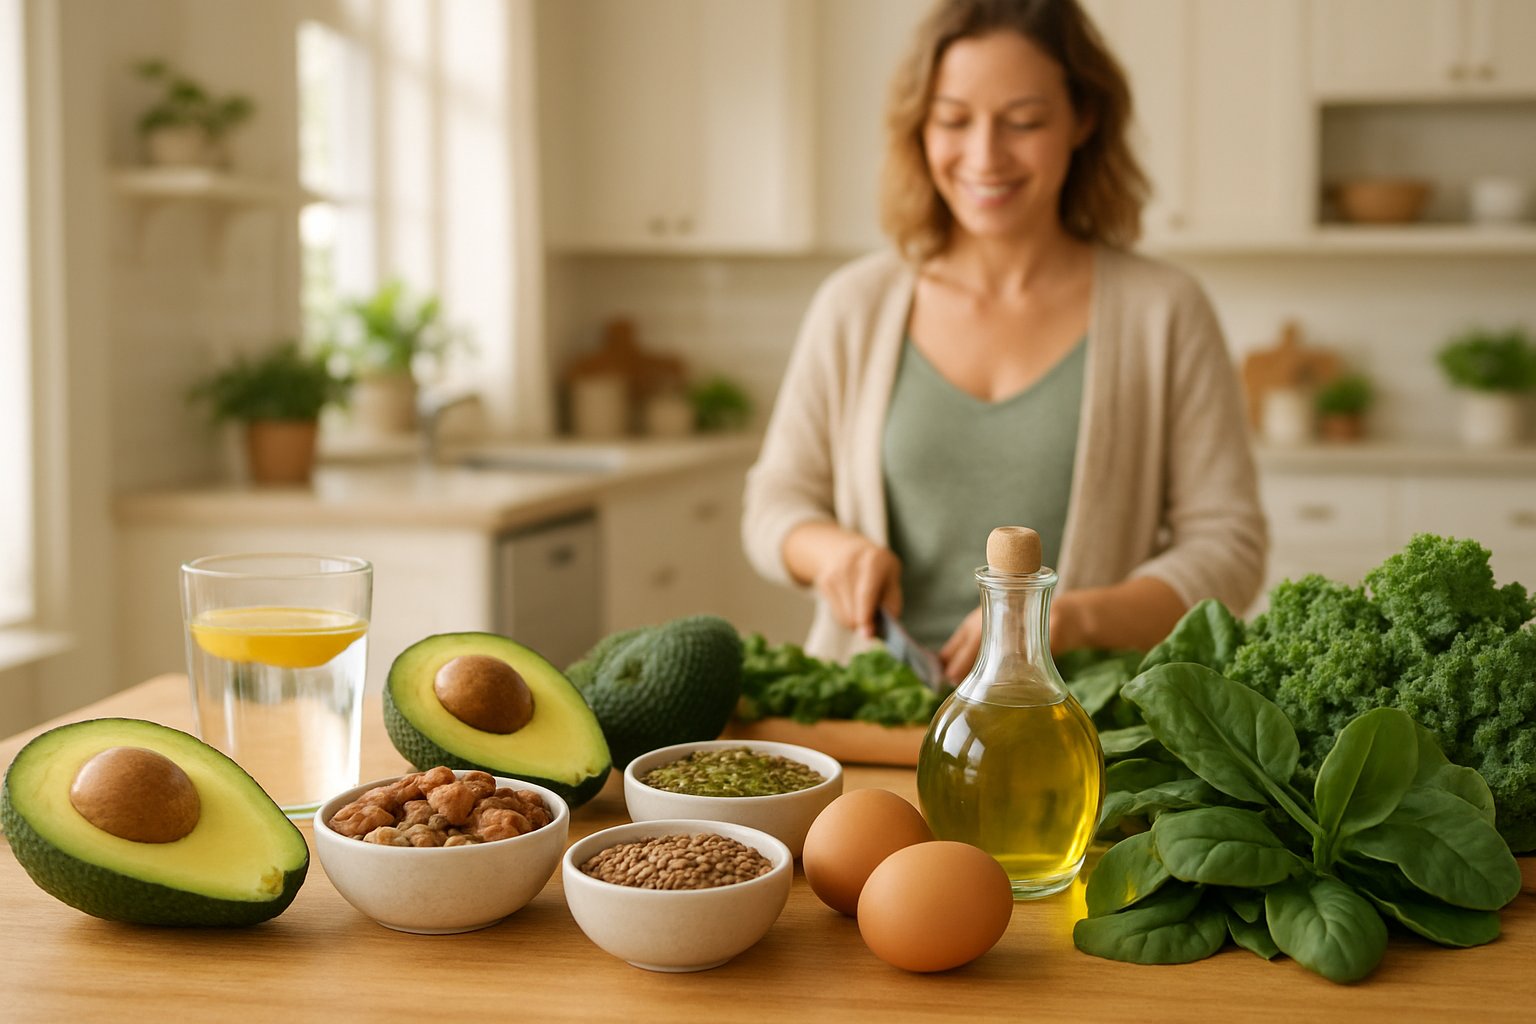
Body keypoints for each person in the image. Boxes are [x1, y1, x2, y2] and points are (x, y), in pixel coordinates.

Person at [741, 0, 1267, 682]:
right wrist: (833, 554)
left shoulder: (1164, 312)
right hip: (872, 718)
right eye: (954, 119)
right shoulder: (855, 305)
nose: (985, 156)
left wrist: (1066, 619)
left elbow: (1229, 547)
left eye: (1024, 121)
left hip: (1083, 729)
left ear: (1083, 119)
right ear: (919, 127)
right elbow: (774, 503)